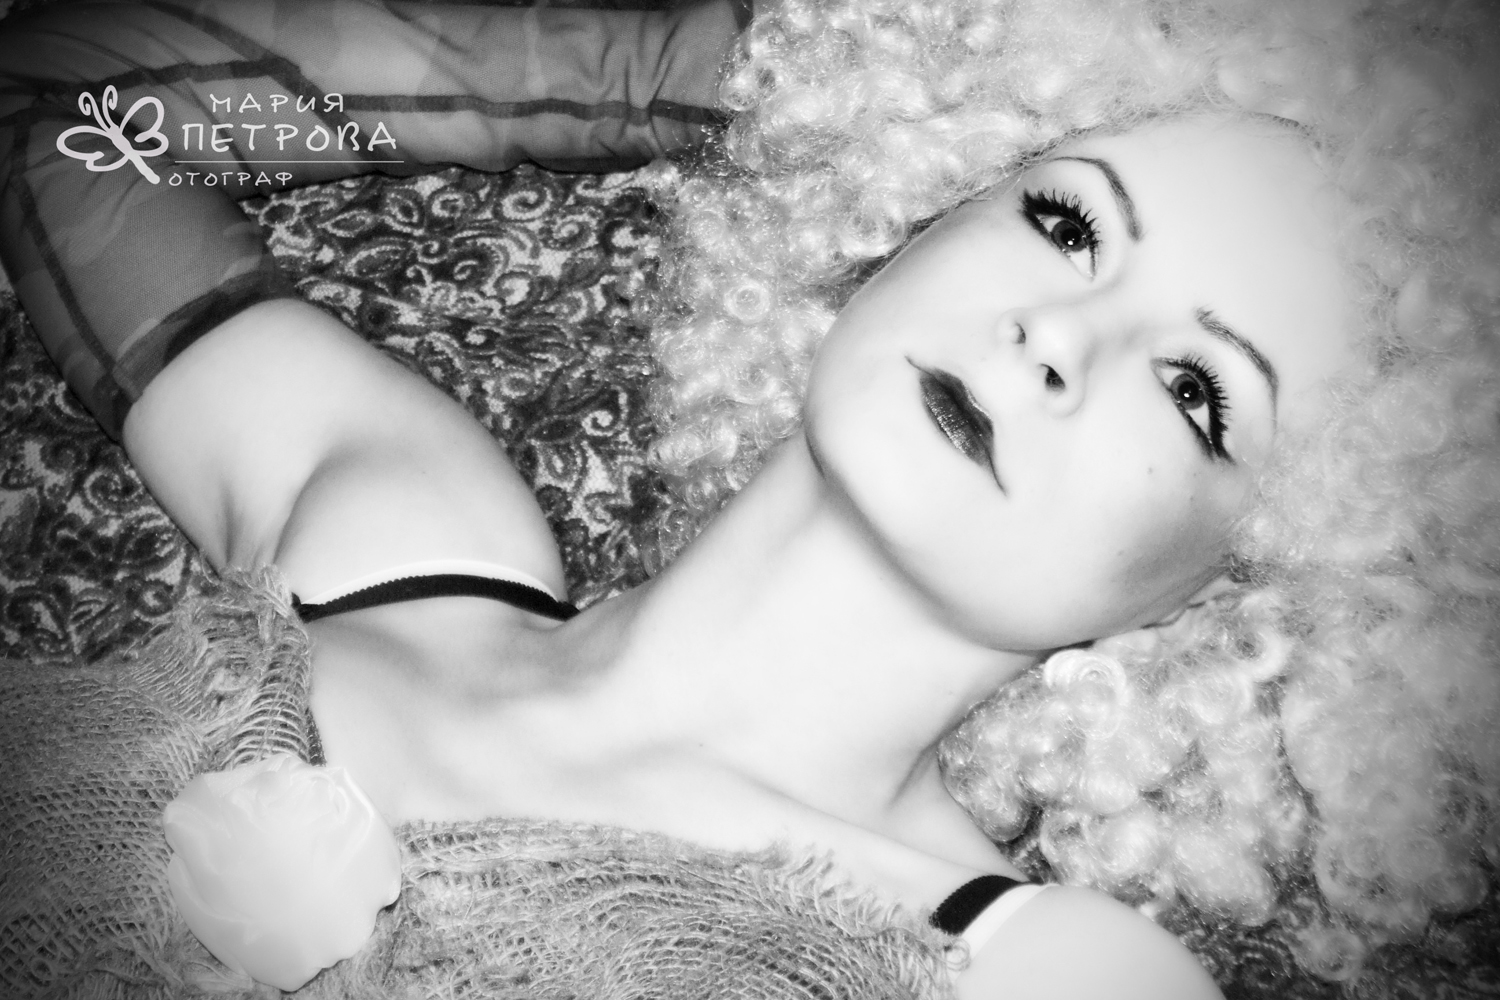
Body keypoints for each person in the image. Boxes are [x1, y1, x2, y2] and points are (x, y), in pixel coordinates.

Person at [0, 0, 1495, 995]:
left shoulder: (1036, 972)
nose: (1060, 341)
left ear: (1252, 582)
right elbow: (72, 110)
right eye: (1063, 221)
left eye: (1196, 391)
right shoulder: (390, 530)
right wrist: (774, 80)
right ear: (912, 202)